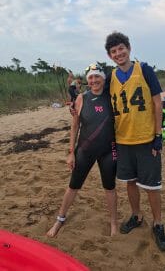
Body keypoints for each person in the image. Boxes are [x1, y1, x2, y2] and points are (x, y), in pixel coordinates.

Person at [104, 31, 165, 251]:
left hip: (146, 138)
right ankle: (136, 215)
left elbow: (158, 104)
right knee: (130, 182)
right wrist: (77, 104)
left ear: (129, 48)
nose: (118, 53)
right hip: (123, 140)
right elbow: (94, 93)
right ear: (110, 56)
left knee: (152, 186)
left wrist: (158, 136)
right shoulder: (110, 77)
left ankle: (158, 223)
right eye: (113, 51)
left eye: (121, 48)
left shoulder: (145, 70)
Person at [47, 65, 117, 237]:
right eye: (90, 77)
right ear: (87, 80)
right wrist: (71, 152)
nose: (93, 81)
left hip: (109, 150)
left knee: (110, 188)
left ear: (103, 78)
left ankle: (114, 223)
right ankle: (60, 219)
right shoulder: (81, 98)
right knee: (73, 186)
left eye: (97, 77)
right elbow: (75, 126)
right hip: (85, 150)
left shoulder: (112, 97)